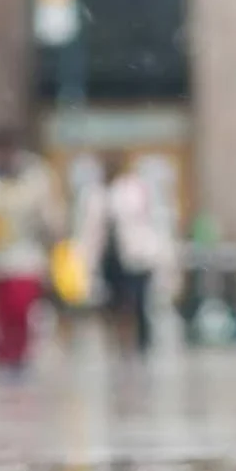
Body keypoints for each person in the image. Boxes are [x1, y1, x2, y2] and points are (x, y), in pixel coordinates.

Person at [0, 127, 63, 375]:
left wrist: (55, 240)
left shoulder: (36, 175)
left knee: (21, 311)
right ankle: (4, 358)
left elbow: (49, 215)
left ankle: (19, 357)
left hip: (26, 257)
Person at [75, 153, 162, 357]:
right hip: (109, 258)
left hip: (137, 255)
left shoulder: (135, 189)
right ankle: (119, 341)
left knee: (138, 300)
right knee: (113, 302)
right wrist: (86, 258)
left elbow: (149, 222)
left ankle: (142, 343)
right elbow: (90, 229)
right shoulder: (94, 194)